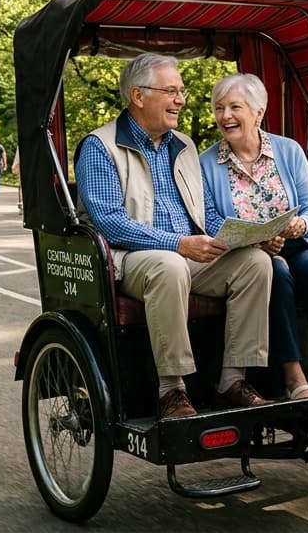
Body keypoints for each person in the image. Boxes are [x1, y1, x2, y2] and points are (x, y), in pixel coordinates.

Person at [76, 53, 273, 420]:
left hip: (188, 255)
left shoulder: (183, 145)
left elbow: (206, 214)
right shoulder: (100, 146)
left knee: (255, 263)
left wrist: (246, 237)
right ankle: (172, 390)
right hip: (132, 257)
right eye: (171, 91)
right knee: (170, 265)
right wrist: (178, 244)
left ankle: (232, 382)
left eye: (181, 91)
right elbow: (110, 222)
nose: (181, 100)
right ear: (138, 96)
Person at [199, 74, 308, 400]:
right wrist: (256, 242)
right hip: (248, 253)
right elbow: (210, 221)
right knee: (274, 272)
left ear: (258, 113)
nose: (225, 116)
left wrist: (300, 225)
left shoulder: (288, 150)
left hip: (299, 242)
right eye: (219, 108)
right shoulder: (205, 163)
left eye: (235, 107)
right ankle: (294, 377)